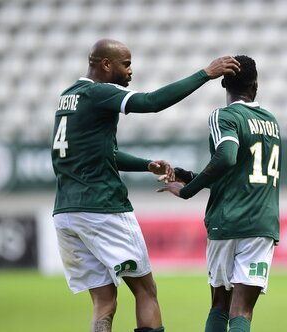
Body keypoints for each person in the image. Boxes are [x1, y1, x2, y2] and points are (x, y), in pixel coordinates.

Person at [51, 39, 240, 332]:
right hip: (102, 207)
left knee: (103, 301)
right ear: (106, 64)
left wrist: (145, 164)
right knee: (145, 291)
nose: (130, 70)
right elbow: (151, 103)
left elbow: (102, 153)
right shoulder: (100, 92)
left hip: (65, 212)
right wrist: (206, 73)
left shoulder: (68, 97)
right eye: (126, 64)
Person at [157, 55, 281, 332]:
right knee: (243, 311)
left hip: (227, 222)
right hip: (262, 224)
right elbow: (240, 178)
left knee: (220, 306)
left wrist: (187, 190)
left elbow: (226, 157)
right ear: (256, 85)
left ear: (224, 84)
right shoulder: (271, 123)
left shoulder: (224, 115)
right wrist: (189, 175)